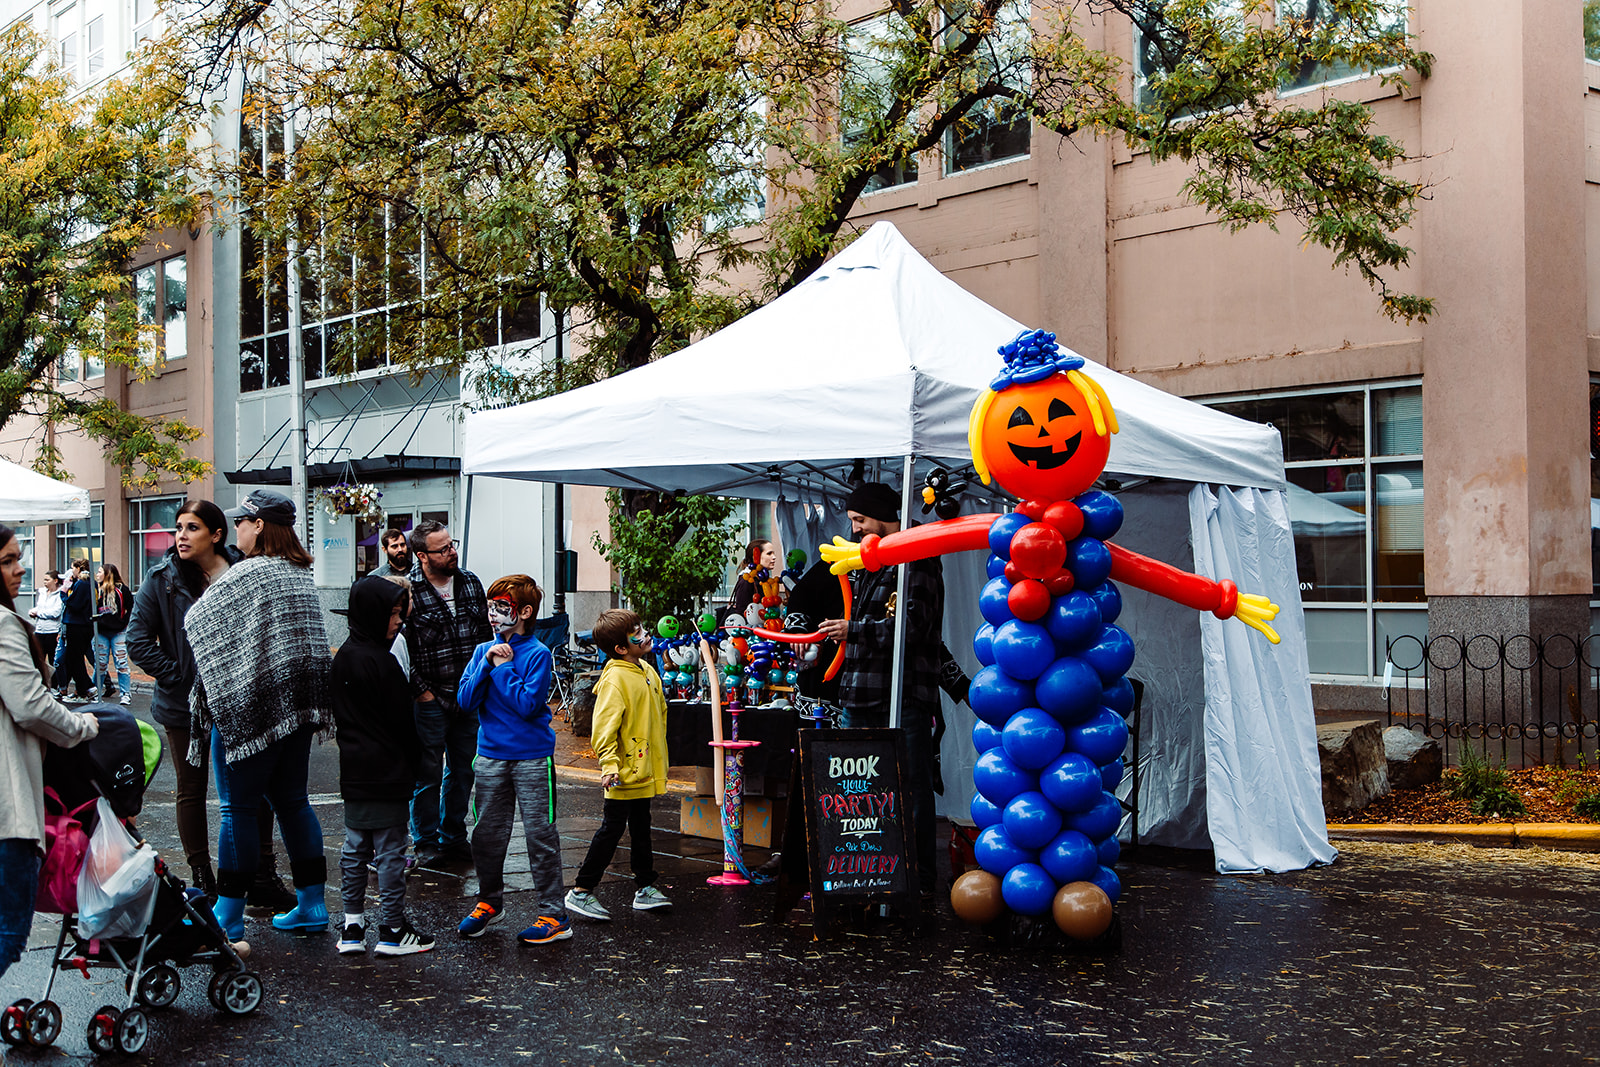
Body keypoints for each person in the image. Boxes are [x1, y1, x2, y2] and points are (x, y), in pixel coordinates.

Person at [126, 499, 298, 909]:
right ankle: (203, 875)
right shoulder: (162, 579)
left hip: (242, 699)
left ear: (216, 534)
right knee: (193, 788)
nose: (181, 536)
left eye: (191, 528)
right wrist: (183, 677)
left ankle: (260, 874)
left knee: (252, 788)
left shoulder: (243, 570)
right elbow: (136, 642)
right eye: (179, 528)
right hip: (184, 705)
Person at [184, 489, 335, 940]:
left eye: (242, 522)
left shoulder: (248, 574)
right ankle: (312, 904)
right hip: (298, 708)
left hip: (248, 711)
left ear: (260, 525)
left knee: (237, 808)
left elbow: (197, 621)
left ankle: (229, 915)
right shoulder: (300, 574)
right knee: (292, 802)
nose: (237, 530)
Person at [817, 482, 944, 900]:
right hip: (861, 693)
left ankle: (919, 880)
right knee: (857, 794)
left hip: (902, 694)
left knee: (910, 788)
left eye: (859, 520)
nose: (854, 530)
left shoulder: (918, 552)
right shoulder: (873, 556)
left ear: (881, 516)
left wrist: (851, 630)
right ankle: (868, 874)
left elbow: (912, 627)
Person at [0, 523, 99, 981]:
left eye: (18, 557)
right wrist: (80, 727)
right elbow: (32, 706)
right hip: (7, 808)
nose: (21, 569)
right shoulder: (2, 625)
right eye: (7, 561)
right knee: (7, 931)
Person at [454, 575, 569, 945]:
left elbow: (527, 705)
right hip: (489, 756)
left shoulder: (537, 654)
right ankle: (489, 902)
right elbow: (465, 701)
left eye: (501, 608)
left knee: (540, 835)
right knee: (485, 834)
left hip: (532, 757)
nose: (493, 615)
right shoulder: (481, 651)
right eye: (490, 608)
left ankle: (554, 915)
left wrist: (503, 669)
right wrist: (488, 663)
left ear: (523, 612)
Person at [332, 576, 434, 957]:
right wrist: (417, 763)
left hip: (354, 768)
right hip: (389, 769)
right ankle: (392, 928)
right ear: (374, 614)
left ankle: (352, 926)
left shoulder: (344, 656)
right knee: (391, 850)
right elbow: (402, 723)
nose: (398, 622)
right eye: (392, 614)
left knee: (355, 847)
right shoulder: (384, 662)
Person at [565, 609, 672, 921]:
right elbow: (603, 730)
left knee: (641, 826)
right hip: (623, 774)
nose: (644, 631)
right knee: (612, 828)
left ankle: (645, 886)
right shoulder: (615, 680)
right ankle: (581, 891)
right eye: (635, 630)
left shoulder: (646, 670)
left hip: (641, 770)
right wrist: (609, 766)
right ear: (621, 648)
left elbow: (657, 714)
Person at [405, 520, 490, 867]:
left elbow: (486, 634)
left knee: (463, 770)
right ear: (423, 555)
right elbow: (400, 646)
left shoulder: (469, 582)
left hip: (468, 695)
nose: (451, 552)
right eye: (442, 549)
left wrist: (484, 682)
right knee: (426, 773)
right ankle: (424, 840)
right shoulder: (407, 589)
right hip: (430, 697)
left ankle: (453, 836)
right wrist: (421, 693)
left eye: (451, 544)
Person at [91, 562, 133, 705]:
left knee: (121, 663)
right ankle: (96, 692)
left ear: (108, 574)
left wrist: (124, 622)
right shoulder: (96, 590)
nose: (97, 574)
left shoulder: (122, 590)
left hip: (119, 632)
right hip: (100, 632)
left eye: (100, 571)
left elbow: (131, 608)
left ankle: (125, 694)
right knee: (100, 664)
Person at [54, 558, 94, 702]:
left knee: (74, 659)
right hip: (84, 625)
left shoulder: (82, 584)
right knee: (74, 659)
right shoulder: (88, 583)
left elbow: (73, 604)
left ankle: (86, 689)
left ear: (78, 568)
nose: (72, 571)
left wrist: (64, 592)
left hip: (77, 625)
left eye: (73, 568)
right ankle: (84, 688)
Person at [731, 539, 782, 618]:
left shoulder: (765, 580)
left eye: (773, 553)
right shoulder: (747, 580)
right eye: (769, 554)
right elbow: (741, 612)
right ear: (756, 556)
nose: (774, 557)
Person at [27, 571, 64, 662]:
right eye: (44, 580)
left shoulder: (60, 594)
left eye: (47, 580)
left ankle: (53, 677)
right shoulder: (42, 592)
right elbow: (40, 607)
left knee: (53, 660)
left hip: (52, 631)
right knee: (38, 659)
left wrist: (38, 613)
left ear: (55, 581)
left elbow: (55, 612)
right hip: (39, 630)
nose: (45, 582)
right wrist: (32, 611)